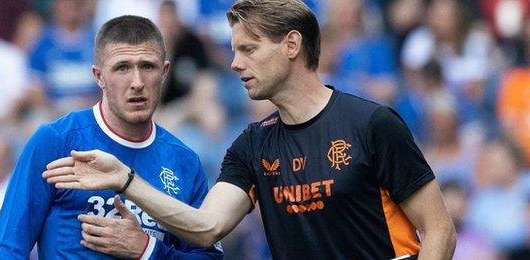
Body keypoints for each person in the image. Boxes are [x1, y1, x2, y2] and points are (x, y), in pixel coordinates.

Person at [43, 0, 457, 259]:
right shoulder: (252, 145)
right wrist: (126, 179)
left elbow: (440, 232)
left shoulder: (372, 124)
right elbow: (205, 229)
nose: (234, 63)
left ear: (291, 45)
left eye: (249, 49)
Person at [0, 15, 223, 259]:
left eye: (147, 66)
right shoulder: (56, 141)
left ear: (165, 71)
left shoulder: (184, 162)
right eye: (122, 68)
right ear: (99, 76)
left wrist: (147, 250)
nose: (137, 82)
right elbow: (8, 247)